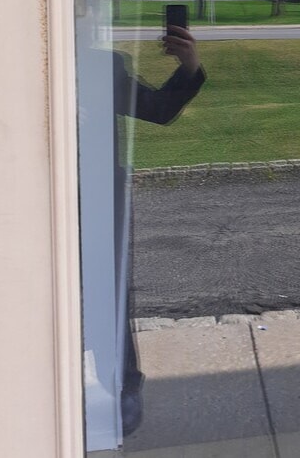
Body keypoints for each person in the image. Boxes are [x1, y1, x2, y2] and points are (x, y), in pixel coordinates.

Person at [79, 23, 206, 438]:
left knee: (107, 291)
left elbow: (158, 108)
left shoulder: (101, 66)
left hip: (98, 197)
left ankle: (120, 385)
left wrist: (189, 67)